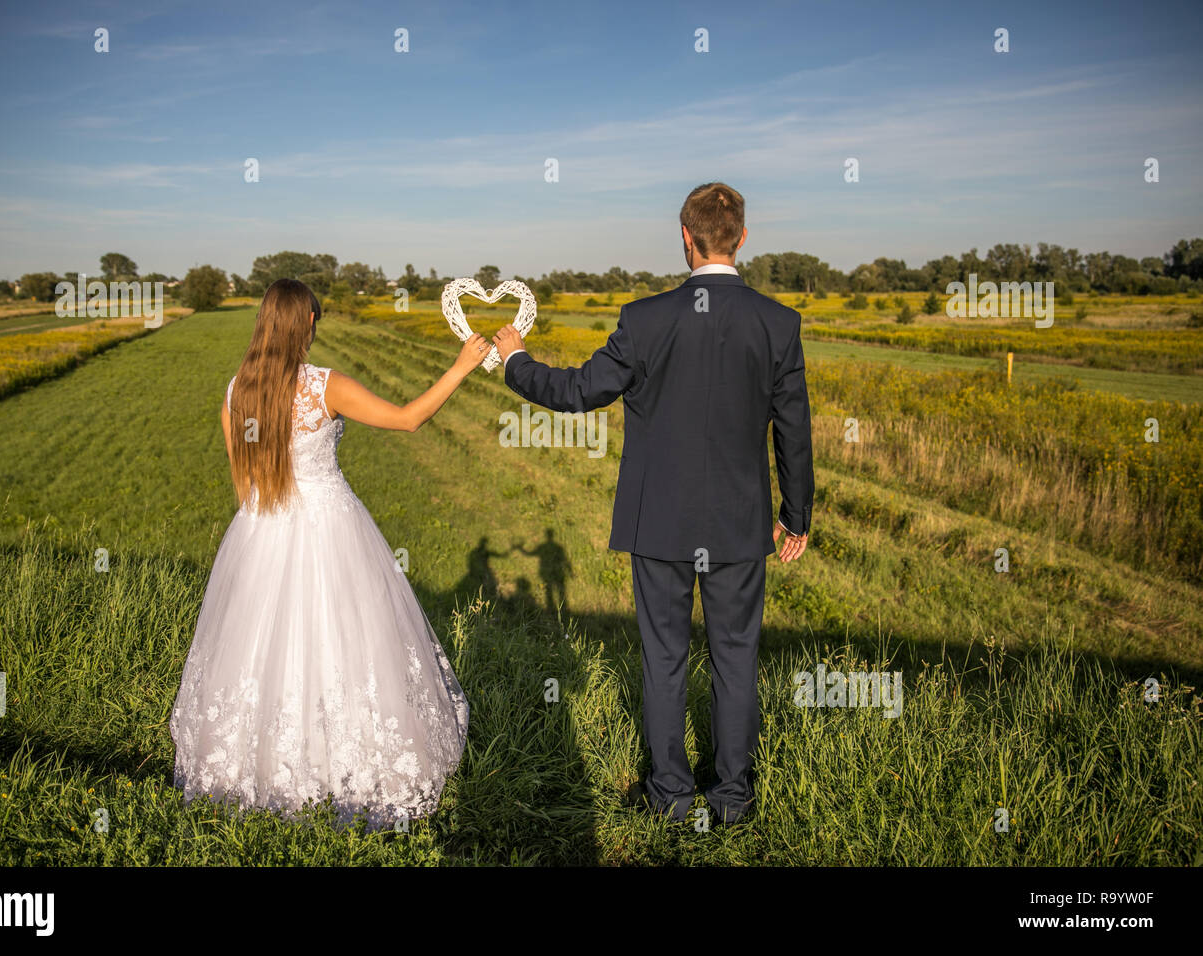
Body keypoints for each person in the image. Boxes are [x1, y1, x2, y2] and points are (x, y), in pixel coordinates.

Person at [493, 183, 815, 826]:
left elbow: (579, 391)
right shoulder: (779, 324)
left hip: (659, 522)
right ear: (743, 238)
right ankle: (732, 800)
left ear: (685, 238)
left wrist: (515, 361)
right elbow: (794, 429)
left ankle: (669, 797)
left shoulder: (644, 319)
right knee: (736, 656)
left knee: (663, 657)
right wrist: (795, 515)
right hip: (739, 523)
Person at [169, 278, 488, 830]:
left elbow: (244, 487)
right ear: (306, 324)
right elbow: (409, 418)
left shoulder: (235, 391)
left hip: (260, 529)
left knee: (260, 647)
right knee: (347, 639)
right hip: (329, 525)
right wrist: (461, 365)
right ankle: (342, 765)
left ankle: (261, 766)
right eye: (316, 318)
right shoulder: (323, 386)